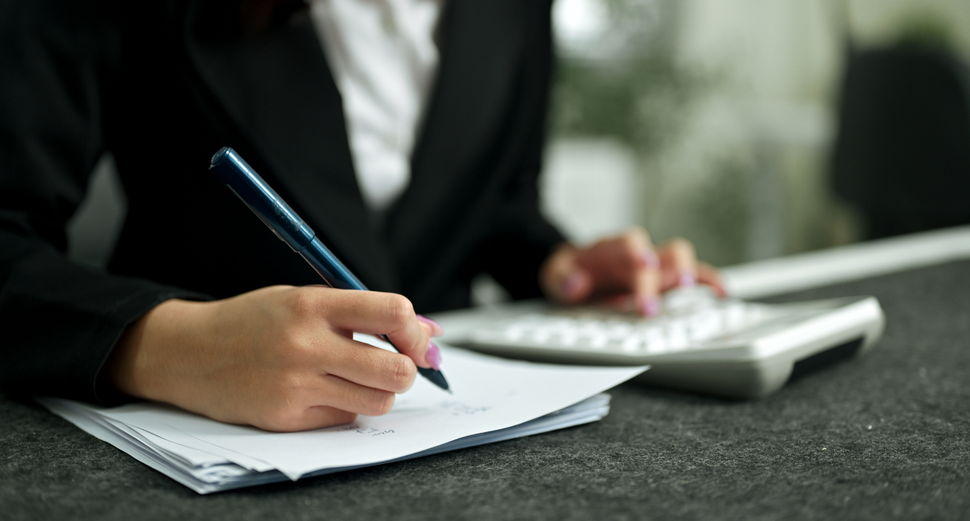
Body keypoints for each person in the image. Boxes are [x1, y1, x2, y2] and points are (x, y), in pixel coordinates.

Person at [0, 0, 722, 432]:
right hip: (198, 448)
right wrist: (175, 343)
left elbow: (497, 196)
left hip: (440, 438)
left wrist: (555, 265)